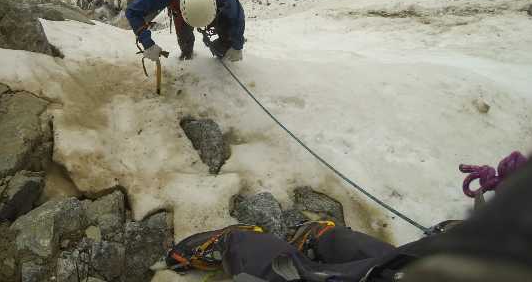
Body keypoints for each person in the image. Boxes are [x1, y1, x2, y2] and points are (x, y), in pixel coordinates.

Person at [167, 152, 532, 281]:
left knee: (283, 267)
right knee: (383, 261)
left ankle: (241, 241)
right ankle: (320, 238)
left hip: (465, 253)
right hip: (474, 254)